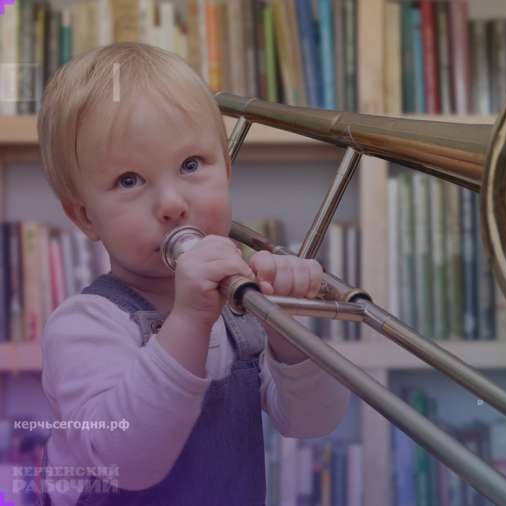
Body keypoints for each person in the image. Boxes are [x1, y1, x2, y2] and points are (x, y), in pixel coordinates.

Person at [35, 41, 350, 506]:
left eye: (190, 165)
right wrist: (188, 322)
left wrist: (287, 330)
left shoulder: (239, 313)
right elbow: (130, 463)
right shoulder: (83, 328)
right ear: (85, 217)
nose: (171, 204)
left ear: (226, 169)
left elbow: (315, 421)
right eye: (129, 180)